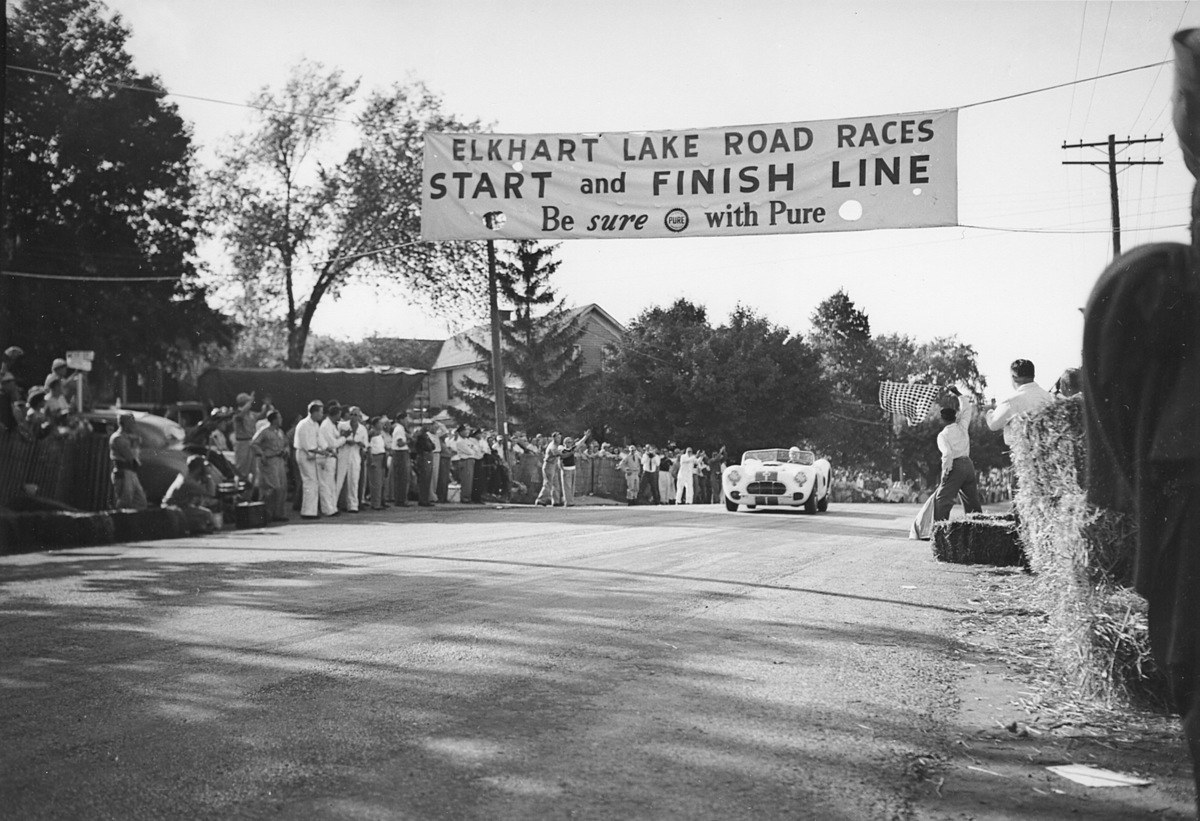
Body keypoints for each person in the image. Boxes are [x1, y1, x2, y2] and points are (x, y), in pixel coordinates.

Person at [932, 388, 984, 522]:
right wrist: (958, 394)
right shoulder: (962, 427)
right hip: (968, 465)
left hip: (956, 466)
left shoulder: (942, 435)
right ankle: (978, 529)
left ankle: (940, 532)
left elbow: (948, 454)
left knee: (942, 500)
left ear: (942, 420)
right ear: (955, 417)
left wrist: (945, 472)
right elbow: (967, 409)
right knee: (972, 501)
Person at [986, 359, 1055, 447]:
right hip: (1045, 451)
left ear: (1014, 377)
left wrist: (989, 413)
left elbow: (993, 425)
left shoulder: (1012, 401)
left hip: (1021, 452)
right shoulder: (1048, 397)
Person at [293, 400, 333, 519]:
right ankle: (308, 512)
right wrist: (321, 451)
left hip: (312, 455)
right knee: (310, 482)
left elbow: (319, 439)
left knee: (313, 482)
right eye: (320, 412)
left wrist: (327, 448)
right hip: (304, 454)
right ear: (314, 412)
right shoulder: (303, 424)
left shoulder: (315, 424)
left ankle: (312, 510)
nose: (322, 415)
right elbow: (307, 445)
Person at [162, 454, 221, 534]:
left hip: (173, 508)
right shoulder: (190, 483)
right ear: (199, 468)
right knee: (208, 514)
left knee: (201, 510)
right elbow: (211, 493)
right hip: (175, 510)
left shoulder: (183, 477)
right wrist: (208, 476)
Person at [250, 410, 289, 522]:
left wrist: (286, 450)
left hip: (279, 460)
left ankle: (278, 513)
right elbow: (254, 443)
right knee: (273, 487)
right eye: (279, 418)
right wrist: (261, 454)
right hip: (269, 461)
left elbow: (286, 443)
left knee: (282, 487)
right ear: (274, 420)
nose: (281, 420)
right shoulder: (264, 431)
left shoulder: (280, 432)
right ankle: (266, 512)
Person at [109, 412, 148, 510]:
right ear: (124, 423)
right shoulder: (118, 438)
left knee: (140, 501)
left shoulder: (127, 437)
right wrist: (135, 441)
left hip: (131, 472)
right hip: (123, 471)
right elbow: (129, 455)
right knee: (125, 501)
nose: (133, 425)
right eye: (131, 422)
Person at [231, 392, 261, 476]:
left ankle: (251, 487)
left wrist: (266, 407)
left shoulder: (250, 414)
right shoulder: (237, 413)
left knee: (254, 467)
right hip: (242, 443)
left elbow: (260, 415)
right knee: (242, 466)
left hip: (251, 441)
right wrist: (250, 401)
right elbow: (240, 416)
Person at [410, 421, 436, 506]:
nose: (428, 427)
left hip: (427, 456)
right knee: (424, 478)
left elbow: (433, 446)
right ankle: (423, 499)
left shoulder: (426, 435)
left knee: (427, 479)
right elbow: (428, 446)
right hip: (423, 456)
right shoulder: (420, 436)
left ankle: (425, 498)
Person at [535, 431, 564, 506]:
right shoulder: (552, 445)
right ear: (554, 438)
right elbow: (556, 453)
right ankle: (541, 499)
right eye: (558, 437)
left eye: (560, 437)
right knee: (548, 483)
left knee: (556, 483)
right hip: (549, 464)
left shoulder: (557, 445)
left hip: (553, 465)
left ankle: (556, 501)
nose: (559, 439)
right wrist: (566, 452)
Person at [365, 416, 387, 510]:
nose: (382, 425)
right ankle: (375, 503)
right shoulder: (372, 433)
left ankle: (381, 501)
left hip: (382, 456)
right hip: (375, 457)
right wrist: (371, 460)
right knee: (376, 482)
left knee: (381, 481)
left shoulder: (380, 434)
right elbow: (368, 447)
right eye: (380, 423)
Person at [389, 414, 411, 506]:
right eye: (406, 419)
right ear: (401, 420)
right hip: (400, 454)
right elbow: (400, 443)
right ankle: (400, 500)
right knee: (402, 477)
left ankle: (401, 498)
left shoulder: (401, 429)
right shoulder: (399, 429)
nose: (407, 421)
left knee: (403, 477)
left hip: (402, 454)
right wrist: (408, 441)